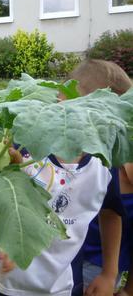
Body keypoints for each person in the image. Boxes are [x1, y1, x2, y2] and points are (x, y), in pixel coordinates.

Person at [0, 60, 126, 296]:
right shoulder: (23, 149)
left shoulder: (104, 164)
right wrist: (3, 237)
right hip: (11, 279)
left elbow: (110, 213)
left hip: (64, 284)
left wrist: (110, 273)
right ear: (61, 103)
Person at [73, 59, 133, 295]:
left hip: (98, 266)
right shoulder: (75, 155)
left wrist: (122, 285)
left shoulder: (118, 163)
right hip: (68, 257)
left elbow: (110, 213)